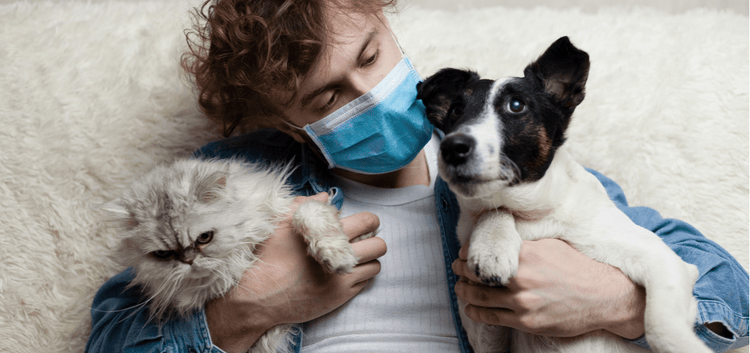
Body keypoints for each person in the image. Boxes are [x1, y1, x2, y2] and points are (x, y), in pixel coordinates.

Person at [85, 0, 749, 352]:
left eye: (372, 55)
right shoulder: (240, 187)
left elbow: (729, 287)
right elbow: (114, 337)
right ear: (283, 120)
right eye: (327, 99)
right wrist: (250, 305)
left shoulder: (504, 166)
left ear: (384, 17)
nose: (371, 92)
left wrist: (612, 301)